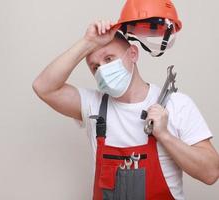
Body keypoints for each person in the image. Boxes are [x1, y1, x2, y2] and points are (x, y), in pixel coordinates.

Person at [32, 20, 219, 199]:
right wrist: (88, 42)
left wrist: (165, 136)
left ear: (133, 54)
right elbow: (43, 87)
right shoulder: (93, 105)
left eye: (109, 58)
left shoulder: (175, 104)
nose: (102, 70)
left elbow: (211, 173)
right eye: (95, 66)